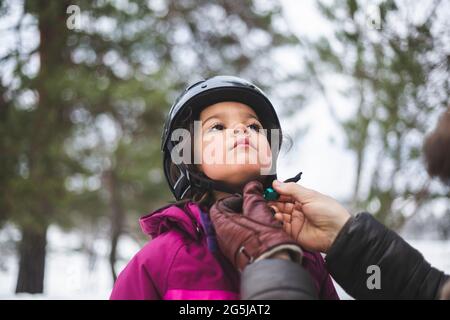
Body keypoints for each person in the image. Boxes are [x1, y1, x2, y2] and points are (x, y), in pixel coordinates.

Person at [110, 76, 338, 300]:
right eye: (218, 126)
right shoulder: (158, 260)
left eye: (254, 126)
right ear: (189, 158)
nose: (242, 129)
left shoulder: (303, 251)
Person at [266, 108, 450, 299]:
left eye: (254, 127)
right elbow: (425, 292)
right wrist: (340, 235)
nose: (241, 130)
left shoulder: (308, 258)